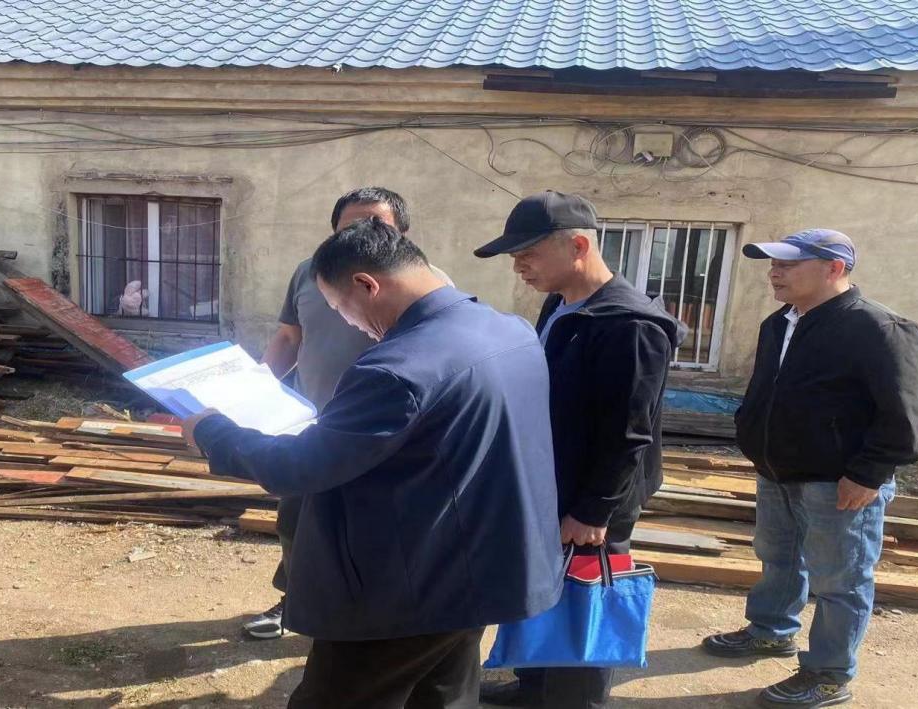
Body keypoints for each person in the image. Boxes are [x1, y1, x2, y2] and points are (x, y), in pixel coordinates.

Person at [184, 217, 563, 709]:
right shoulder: (508, 330)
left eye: (341, 307)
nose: (349, 323)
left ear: (367, 285)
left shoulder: (397, 368)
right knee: (442, 696)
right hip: (483, 567)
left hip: (410, 587)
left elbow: (299, 468)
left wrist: (213, 432)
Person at [701, 228, 918, 709]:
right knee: (778, 557)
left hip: (839, 481)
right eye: (773, 264)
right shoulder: (779, 323)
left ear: (834, 268)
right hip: (778, 470)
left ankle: (829, 673)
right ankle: (771, 630)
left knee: (840, 579)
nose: (774, 273)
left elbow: (904, 414)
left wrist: (868, 473)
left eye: (788, 264)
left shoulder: (879, 328)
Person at [474, 191, 684, 708]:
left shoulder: (629, 325)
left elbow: (628, 433)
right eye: (514, 256)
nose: (518, 266)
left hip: (594, 497)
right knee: (546, 590)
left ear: (579, 247)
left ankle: (574, 699)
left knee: (585, 605)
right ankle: (534, 687)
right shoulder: (563, 304)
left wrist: (594, 509)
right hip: (555, 482)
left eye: (528, 254)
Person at [248, 187, 450, 639]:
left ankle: (364, 618)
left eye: (376, 224)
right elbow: (288, 338)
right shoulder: (310, 273)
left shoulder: (427, 282)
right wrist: (255, 390)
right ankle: (295, 600)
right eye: (349, 226)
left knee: (367, 531)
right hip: (311, 425)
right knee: (296, 521)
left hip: (383, 435)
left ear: (401, 234)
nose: (361, 234)